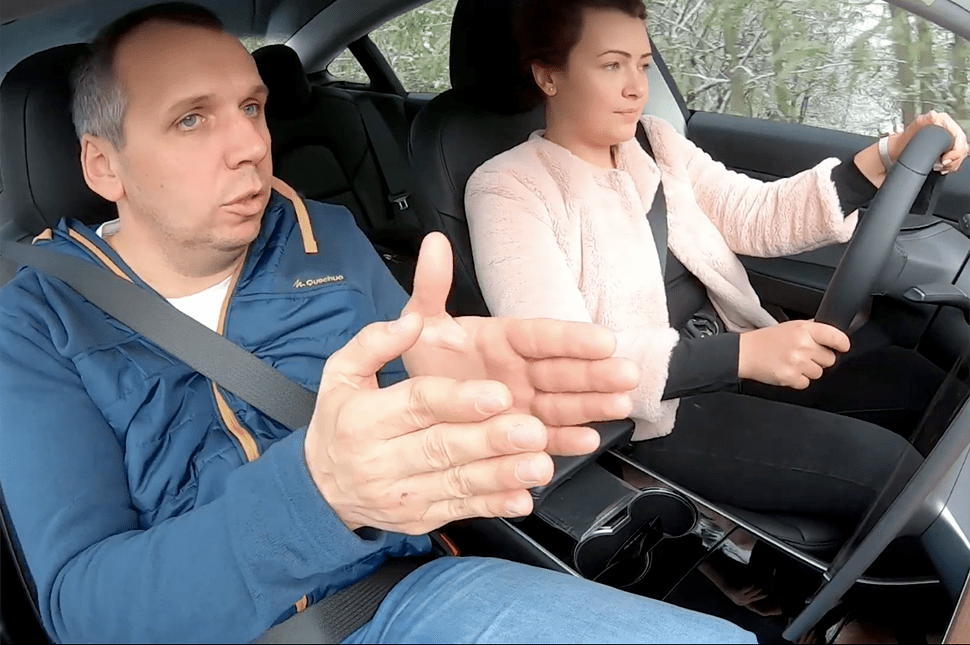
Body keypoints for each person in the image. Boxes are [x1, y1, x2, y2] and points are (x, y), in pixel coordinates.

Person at [0, 4, 758, 644]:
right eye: (191, 119)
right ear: (103, 166)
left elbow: (413, 425)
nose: (251, 147)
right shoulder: (37, 321)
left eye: (252, 108)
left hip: (408, 601)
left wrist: (456, 402)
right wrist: (319, 495)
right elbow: (83, 611)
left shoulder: (323, 235)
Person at [465, 0, 968, 538]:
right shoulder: (508, 187)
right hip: (649, 412)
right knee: (892, 470)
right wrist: (744, 354)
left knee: (929, 390)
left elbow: (756, 215)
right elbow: (560, 359)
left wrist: (887, 155)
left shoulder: (654, 142)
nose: (636, 87)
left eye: (642, 64)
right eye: (612, 65)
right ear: (548, 76)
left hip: (733, 357)